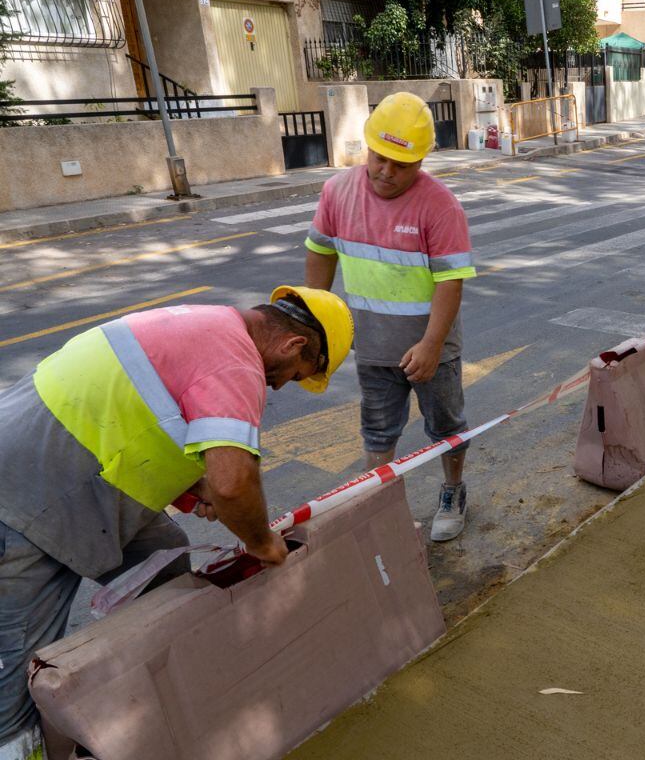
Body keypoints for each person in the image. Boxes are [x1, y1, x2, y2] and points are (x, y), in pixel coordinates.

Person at [0, 285, 354, 760]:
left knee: (166, 569)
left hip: (72, 475)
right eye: (296, 374)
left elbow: (137, 419)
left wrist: (190, 487)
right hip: (27, 499)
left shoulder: (205, 323)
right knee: (17, 667)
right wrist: (262, 542)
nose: (282, 385)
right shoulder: (236, 362)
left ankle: (161, 699)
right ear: (293, 345)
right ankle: (17, 748)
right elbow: (233, 483)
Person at [305, 92, 477, 543]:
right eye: (380, 158)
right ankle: (378, 510)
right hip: (373, 347)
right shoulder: (337, 192)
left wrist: (433, 344)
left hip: (429, 349)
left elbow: (450, 281)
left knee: (446, 427)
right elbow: (320, 252)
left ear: (421, 161)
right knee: (377, 432)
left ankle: (453, 491)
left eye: (401, 165)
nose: (386, 171)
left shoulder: (439, 206)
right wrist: (315, 322)